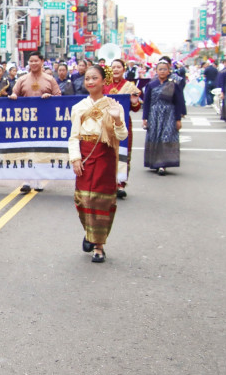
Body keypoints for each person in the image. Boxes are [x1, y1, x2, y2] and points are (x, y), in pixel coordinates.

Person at [69, 65, 128, 263]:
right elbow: (74, 137)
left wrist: (117, 119)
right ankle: (90, 232)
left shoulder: (114, 106)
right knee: (83, 200)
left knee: (102, 201)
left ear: (104, 81)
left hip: (105, 156)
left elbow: (122, 136)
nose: (90, 82)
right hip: (86, 155)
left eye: (94, 78)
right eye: (87, 78)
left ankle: (99, 246)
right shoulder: (79, 107)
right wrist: (75, 158)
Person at [104, 58, 142, 198]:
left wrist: (134, 102)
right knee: (106, 152)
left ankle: (120, 183)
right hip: (106, 123)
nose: (115, 69)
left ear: (123, 69)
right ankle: (108, 183)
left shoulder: (130, 87)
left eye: (118, 67)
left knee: (123, 152)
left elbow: (136, 108)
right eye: (113, 67)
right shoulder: (104, 85)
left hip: (123, 123)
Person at [142, 58, 185, 175]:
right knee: (154, 137)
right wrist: (145, 118)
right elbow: (147, 102)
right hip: (154, 114)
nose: (162, 71)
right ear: (156, 71)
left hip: (169, 114)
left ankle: (163, 164)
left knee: (166, 137)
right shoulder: (151, 85)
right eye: (160, 69)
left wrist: (178, 119)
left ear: (169, 71)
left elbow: (178, 102)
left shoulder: (173, 85)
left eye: (165, 69)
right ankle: (154, 162)